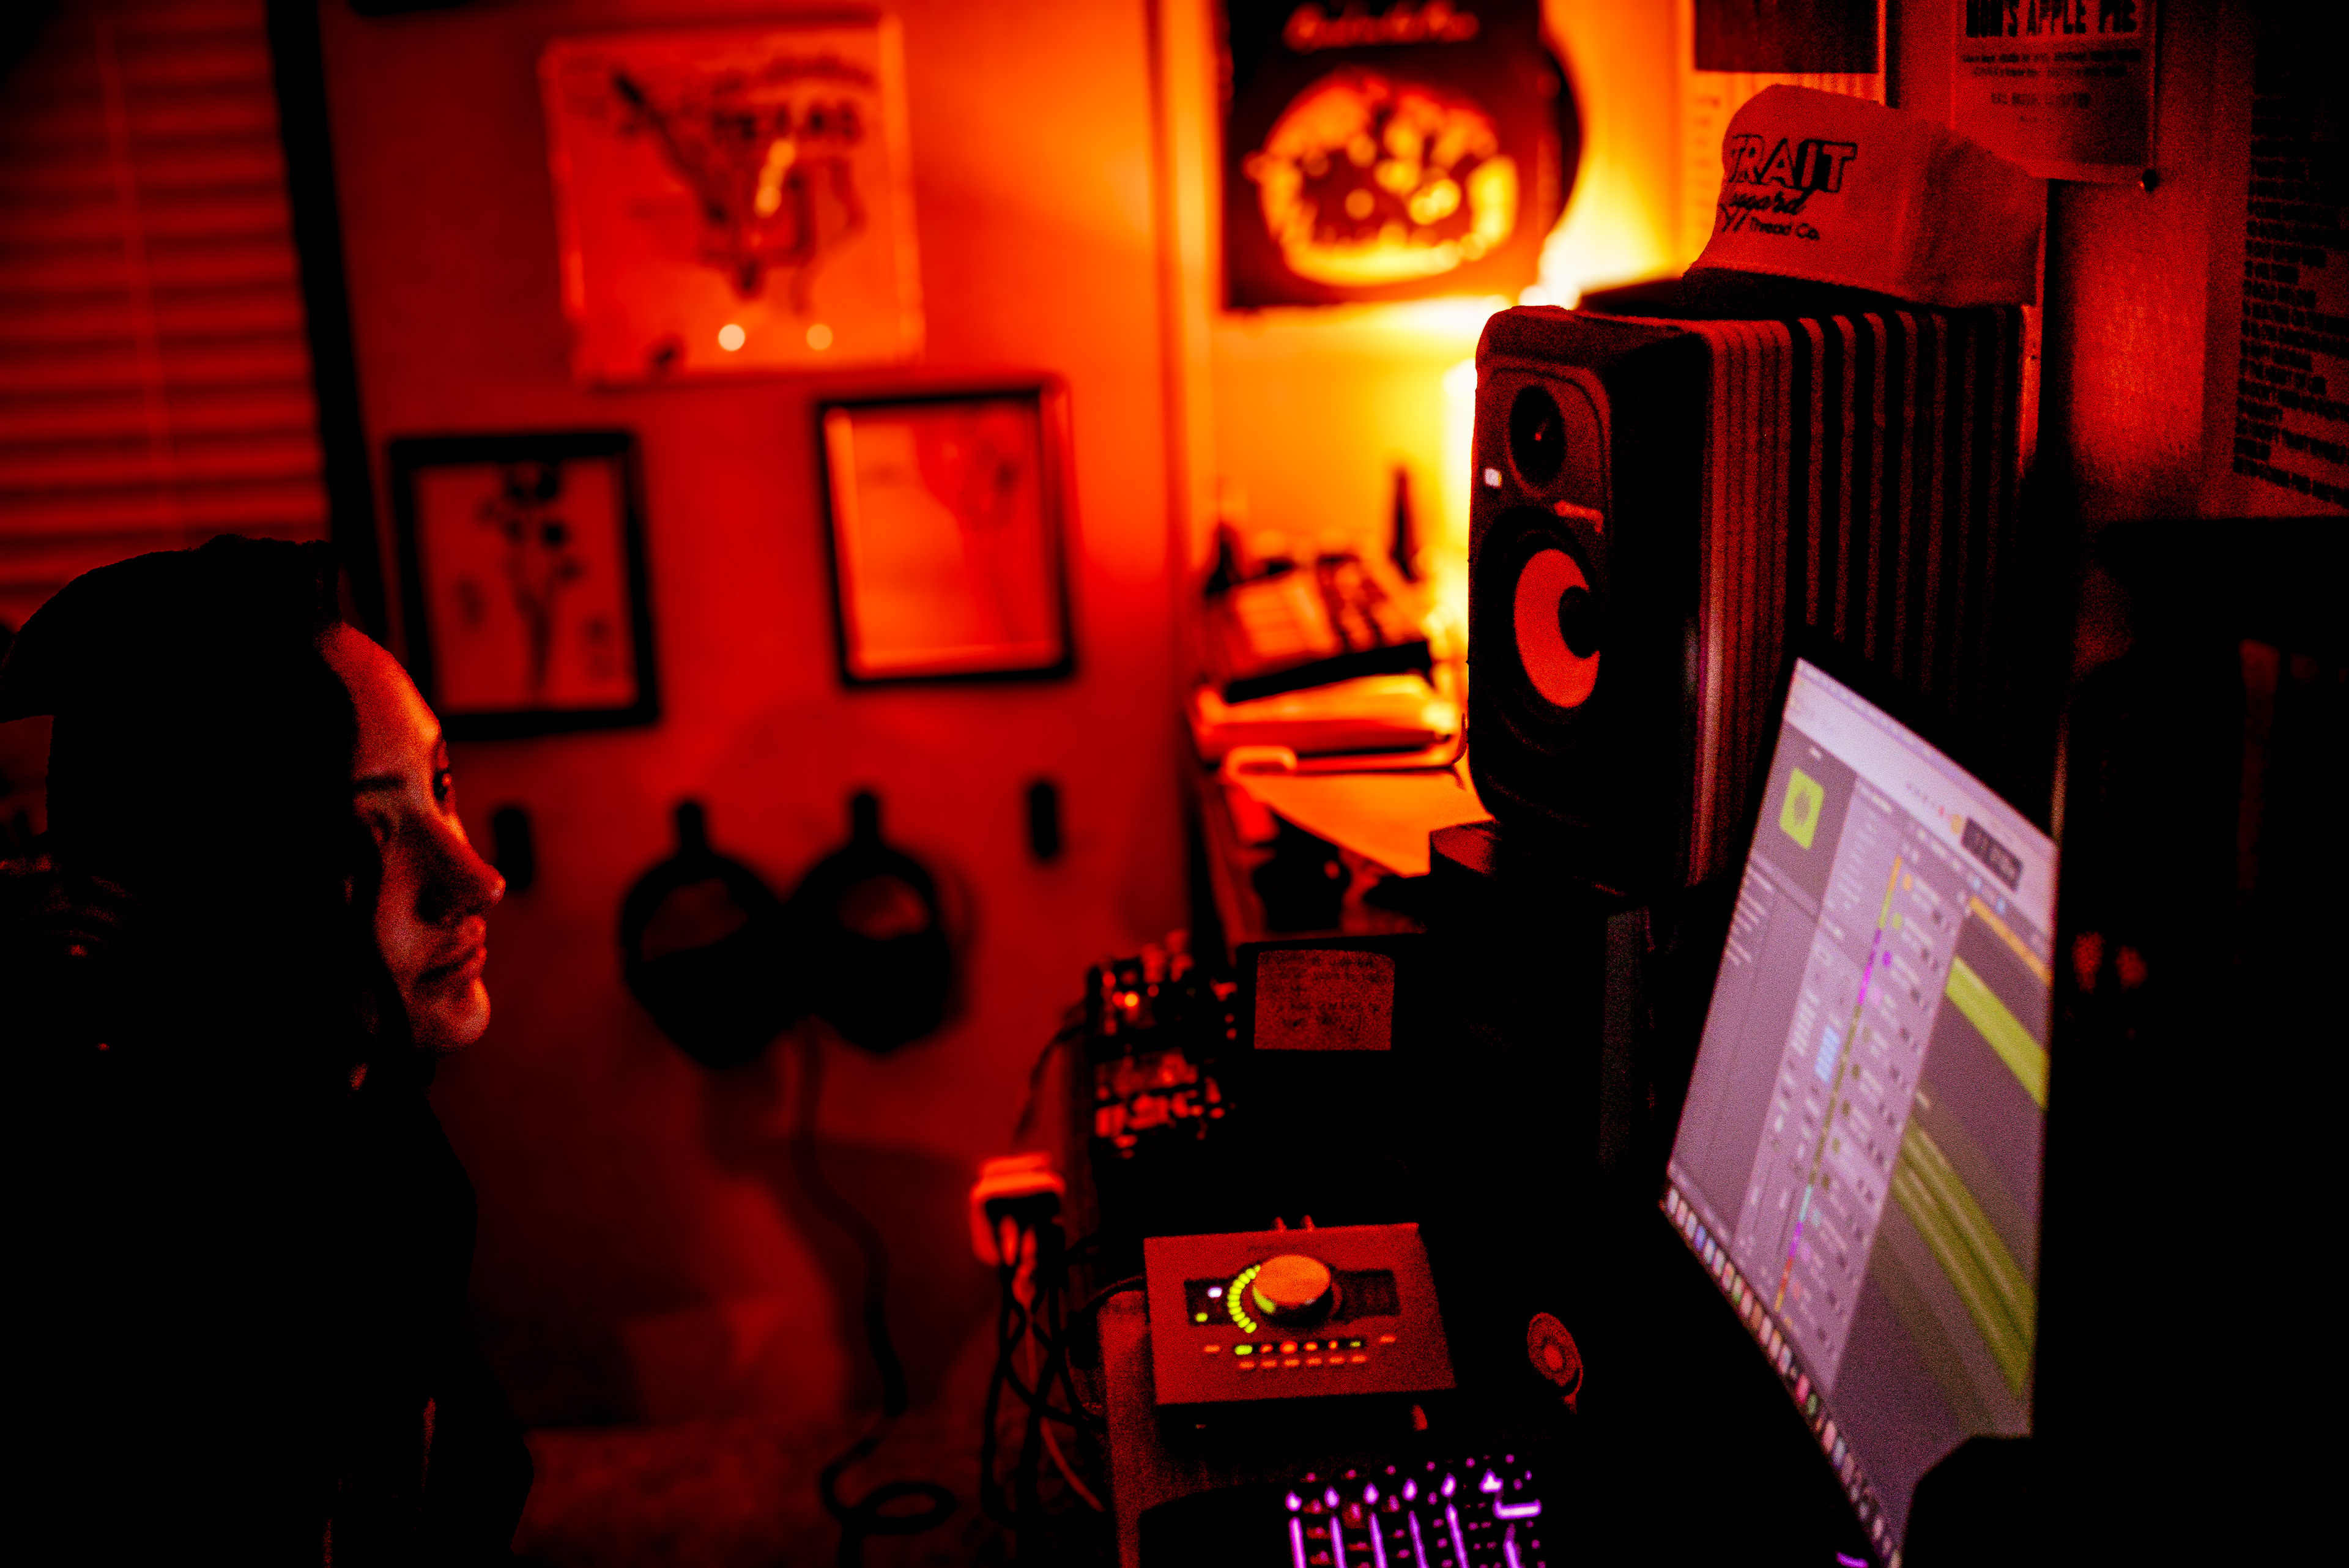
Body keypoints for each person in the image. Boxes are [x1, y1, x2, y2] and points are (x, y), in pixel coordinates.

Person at [1, 537, 530, 1562]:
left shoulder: (382, 1150)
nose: (476, 880)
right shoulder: (135, 1280)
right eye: (367, 835)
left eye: (441, 787)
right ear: (224, 881)